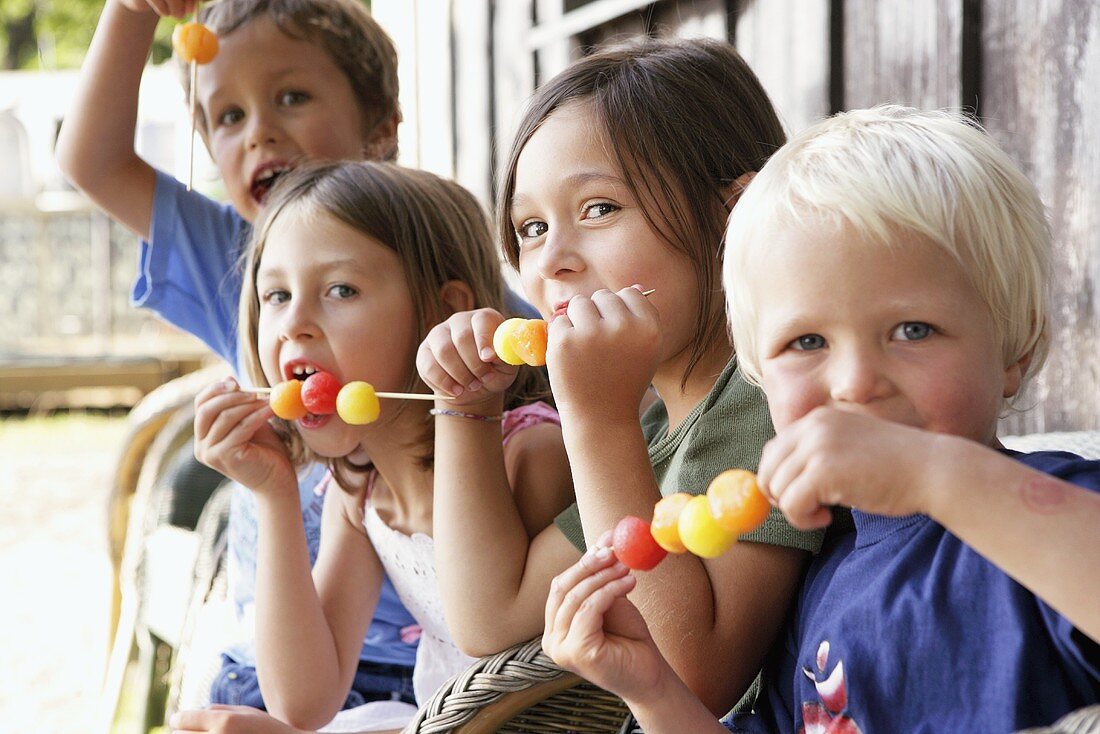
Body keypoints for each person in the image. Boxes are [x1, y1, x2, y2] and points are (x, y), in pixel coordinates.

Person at [541, 106, 1100, 733]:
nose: (856, 382)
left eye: (913, 330)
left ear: (1014, 352)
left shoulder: (1051, 517)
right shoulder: (825, 579)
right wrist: (652, 691)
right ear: (760, 374)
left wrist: (934, 475)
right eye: (807, 343)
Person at [55, 0, 531, 713]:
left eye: (292, 97)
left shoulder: (474, 337)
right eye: (227, 117)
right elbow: (91, 160)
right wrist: (130, 10)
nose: (261, 132)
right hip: (300, 651)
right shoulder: (237, 261)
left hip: (457, 680)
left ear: (381, 130)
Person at [416, 37, 823, 715]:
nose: (552, 262)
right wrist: (467, 408)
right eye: (532, 227)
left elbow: (690, 678)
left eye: (598, 209)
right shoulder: (654, 423)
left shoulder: (767, 398)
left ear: (734, 220)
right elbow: (491, 614)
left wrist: (598, 421)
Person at [188, 161, 574, 732]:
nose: (295, 323)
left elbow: (551, 697)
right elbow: (304, 699)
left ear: (446, 312)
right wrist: (273, 495)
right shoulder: (362, 489)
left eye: (341, 289)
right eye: (275, 294)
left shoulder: (530, 457)